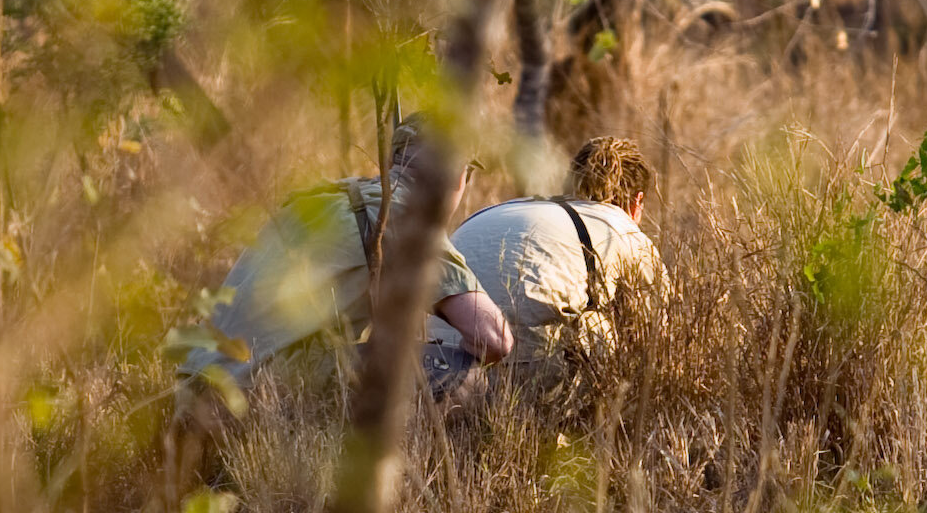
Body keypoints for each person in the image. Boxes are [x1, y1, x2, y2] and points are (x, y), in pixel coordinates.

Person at [177, 122, 514, 412]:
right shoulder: (408, 218)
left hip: (192, 386)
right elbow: (493, 339)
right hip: (254, 395)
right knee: (464, 373)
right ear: (458, 178)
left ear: (390, 161)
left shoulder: (320, 198)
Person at [428, 136, 664, 396]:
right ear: (637, 202)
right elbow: (656, 333)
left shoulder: (503, 209)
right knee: (600, 321)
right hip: (518, 370)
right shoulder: (622, 228)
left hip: (439, 360)